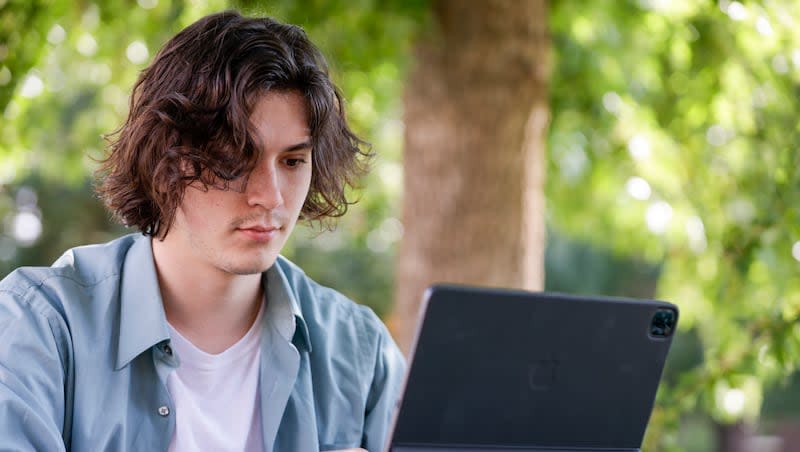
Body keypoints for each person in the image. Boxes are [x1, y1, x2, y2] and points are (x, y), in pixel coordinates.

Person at [0, 10, 405, 452]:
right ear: (165, 158)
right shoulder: (37, 328)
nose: (270, 197)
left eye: (292, 162)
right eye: (235, 159)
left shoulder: (362, 353)